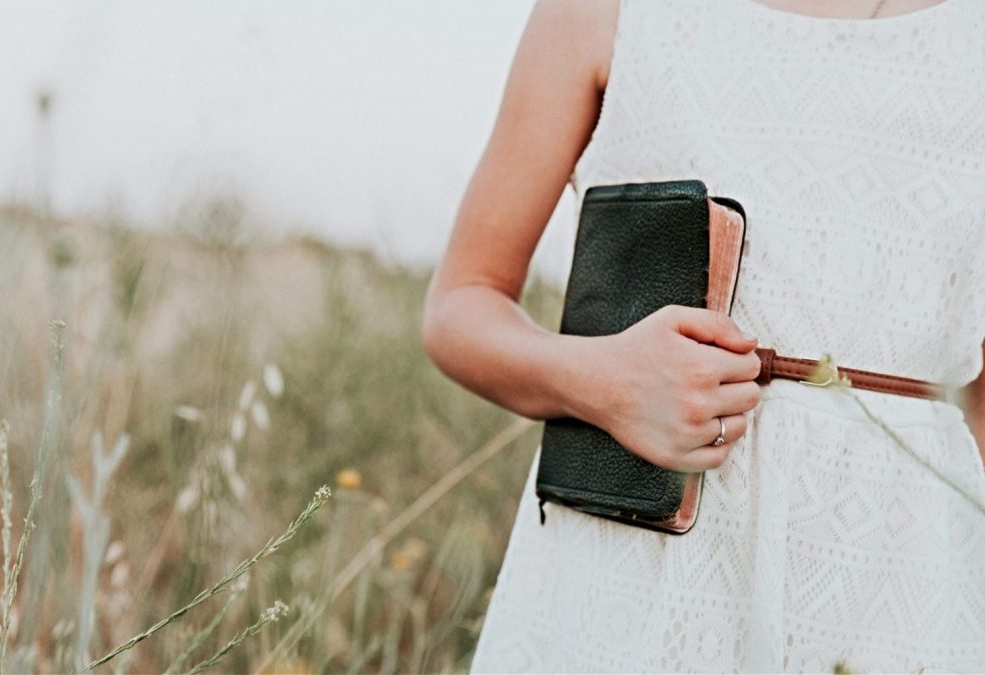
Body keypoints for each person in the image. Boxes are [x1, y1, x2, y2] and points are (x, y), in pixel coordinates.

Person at [420, 0, 985, 671]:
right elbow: (461, 303)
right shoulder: (605, 12)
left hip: (906, 577)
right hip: (642, 576)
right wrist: (605, 380)